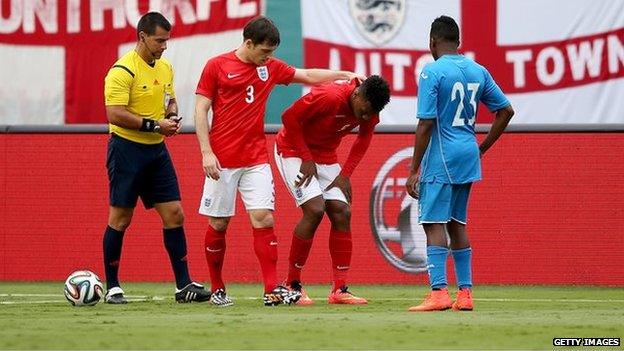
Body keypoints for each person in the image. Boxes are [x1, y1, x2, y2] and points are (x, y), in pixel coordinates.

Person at [194, 16, 364, 307]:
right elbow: (201, 109)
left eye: (271, 52)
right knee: (219, 223)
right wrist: (206, 152)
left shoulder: (269, 68)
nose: (268, 58)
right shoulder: (217, 65)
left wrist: (342, 74)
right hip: (221, 159)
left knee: (264, 218)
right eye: (264, 51)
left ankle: (271, 289)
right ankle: (218, 287)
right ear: (248, 43)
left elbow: (307, 75)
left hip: (256, 158)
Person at [405, 15, 514, 312]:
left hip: (442, 156)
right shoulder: (478, 70)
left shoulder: (432, 72)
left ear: (432, 42)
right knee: (457, 222)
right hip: (467, 153)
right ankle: (465, 294)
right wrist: (483, 148)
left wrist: (414, 168)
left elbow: (426, 123)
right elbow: (506, 111)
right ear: (458, 42)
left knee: (433, 223)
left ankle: (439, 292)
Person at [102, 12, 210, 304]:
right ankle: (112, 287)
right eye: (159, 40)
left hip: (156, 151)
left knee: (175, 213)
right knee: (121, 218)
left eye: (167, 40)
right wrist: (154, 124)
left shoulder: (164, 68)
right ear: (142, 37)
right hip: (126, 150)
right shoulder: (122, 70)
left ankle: (183, 285)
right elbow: (114, 113)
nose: (164, 46)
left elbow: (169, 98)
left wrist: (172, 115)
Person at [274, 76, 390, 305]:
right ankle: (292, 284)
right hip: (294, 150)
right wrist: (306, 159)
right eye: (364, 111)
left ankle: (339, 289)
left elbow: (363, 140)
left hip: (325, 156)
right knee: (315, 210)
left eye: (370, 114)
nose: (365, 118)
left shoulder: (371, 107)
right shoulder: (329, 97)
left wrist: (345, 175)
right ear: (357, 95)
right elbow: (288, 117)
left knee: (342, 212)